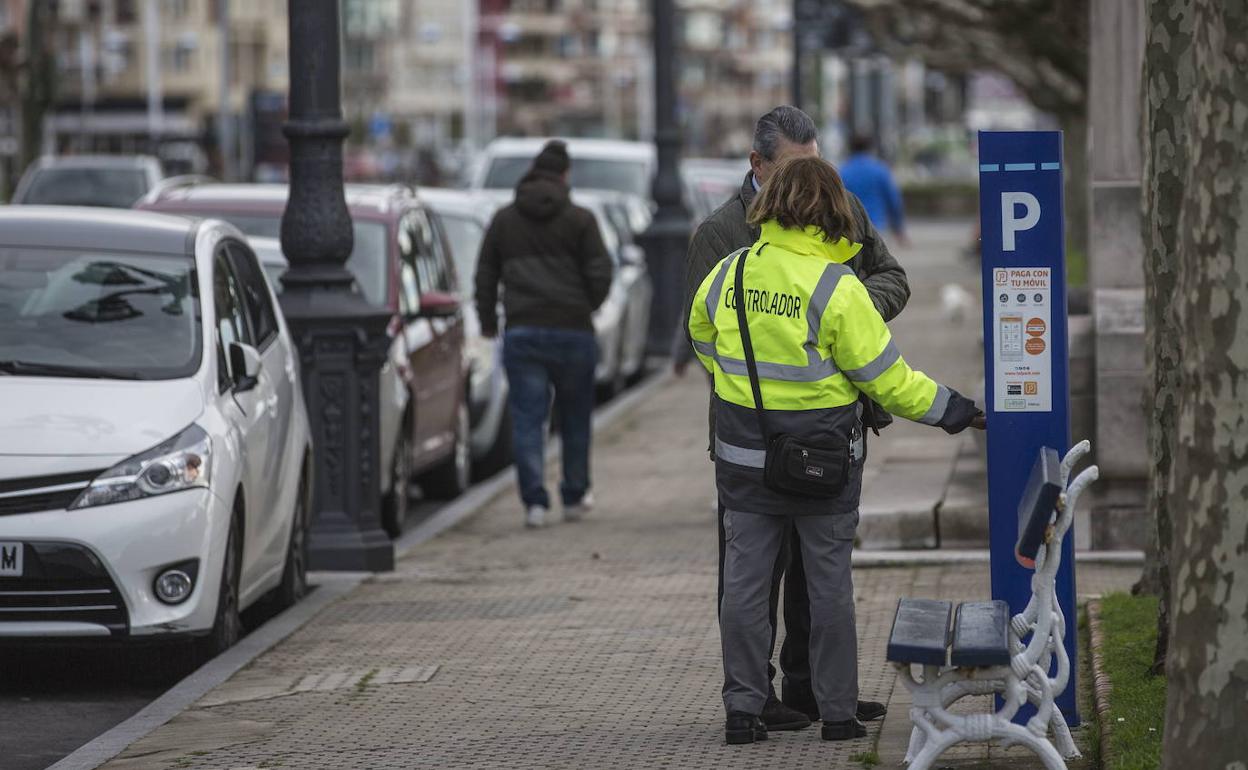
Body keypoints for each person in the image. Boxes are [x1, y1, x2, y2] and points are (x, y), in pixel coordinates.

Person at [688, 155, 984, 745]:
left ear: (768, 206)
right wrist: (958, 410)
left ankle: (743, 712)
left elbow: (701, 334)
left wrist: (741, 390)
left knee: (745, 589)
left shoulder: (729, 273)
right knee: (827, 589)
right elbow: (889, 380)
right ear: (831, 211)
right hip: (823, 462)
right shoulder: (837, 287)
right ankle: (839, 716)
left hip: (744, 460)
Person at [675, 105, 910, 732]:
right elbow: (709, 338)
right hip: (752, 439)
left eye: (815, 167)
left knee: (819, 578)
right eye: (793, 170)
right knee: (753, 578)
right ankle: (757, 697)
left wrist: (850, 317)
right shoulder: (720, 234)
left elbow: (891, 276)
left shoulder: (842, 206)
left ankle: (815, 691)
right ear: (758, 166)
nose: (809, 184)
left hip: (830, 428)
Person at [474, 140, 614, 529]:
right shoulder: (581, 220)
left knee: (527, 419)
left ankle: (534, 502)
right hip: (573, 331)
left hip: (523, 332)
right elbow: (602, 271)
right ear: (564, 174)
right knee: (574, 419)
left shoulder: (504, 220)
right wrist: (587, 305)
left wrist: (488, 321)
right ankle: (573, 496)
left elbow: (485, 274)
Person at [838, 134, 908, 246]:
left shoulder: (843, 172)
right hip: (878, 226)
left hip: (852, 229)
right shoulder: (880, 169)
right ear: (870, 148)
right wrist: (898, 228)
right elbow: (893, 200)